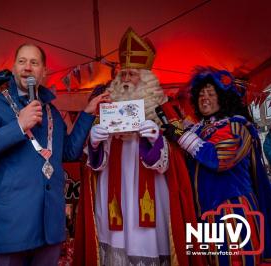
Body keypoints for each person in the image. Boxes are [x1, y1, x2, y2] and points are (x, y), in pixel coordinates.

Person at [0, 43, 108, 266]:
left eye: (34, 62)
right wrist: (18, 126)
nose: (27, 67)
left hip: (49, 228)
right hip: (11, 229)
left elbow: (68, 152)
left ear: (44, 72)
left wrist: (87, 114)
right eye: (22, 61)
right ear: (13, 68)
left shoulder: (50, 111)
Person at [77, 27, 203, 266]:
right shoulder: (104, 109)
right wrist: (93, 142)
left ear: (145, 79)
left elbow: (178, 156)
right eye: (122, 75)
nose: (125, 81)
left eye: (132, 75)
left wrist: (157, 142)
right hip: (113, 193)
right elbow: (92, 165)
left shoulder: (165, 110)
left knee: (149, 244)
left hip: (152, 193)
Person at [163, 67, 271, 265]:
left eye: (211, 93)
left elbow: (219, 159)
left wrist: (181, 136)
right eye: (201, 94)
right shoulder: (198, 129)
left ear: (223, 98)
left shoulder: (236, 126)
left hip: (233, 212)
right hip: (204, 214)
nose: (204, 98)